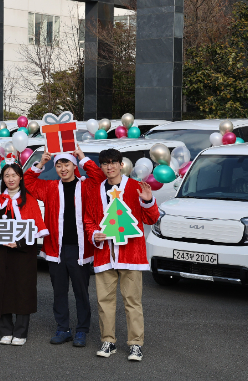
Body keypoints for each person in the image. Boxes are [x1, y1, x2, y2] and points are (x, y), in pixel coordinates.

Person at [24, 147, 105, 347]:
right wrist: (41, 164)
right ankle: (63, 329)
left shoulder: (87, 186)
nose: (62, 168)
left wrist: (83, 157)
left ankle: (82, 330)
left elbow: (99, 176)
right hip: (55, 249)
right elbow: (28, 182)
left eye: (66, 164)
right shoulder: (51, 187)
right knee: (59, 292)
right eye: (58, 165)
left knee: (81, 292)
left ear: (73, 165)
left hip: (80, 249)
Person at [84, 148, 159, 362]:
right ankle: (108, 341)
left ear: (121, 164)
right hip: (104, 254)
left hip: (131, 255)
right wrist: (93, 235)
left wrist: (148, 200)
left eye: (113, 162)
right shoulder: (95, 190)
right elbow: (89, 220)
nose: (110, 167)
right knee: (104, 301)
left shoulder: (136, 187)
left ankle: (136, 344)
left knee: (132, 302)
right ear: (101, 167)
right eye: (105, 163)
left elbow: (152, 219)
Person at [0, 157, 48, 346]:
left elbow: (36, 228)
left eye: (14, 175)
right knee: (0, 288)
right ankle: (4, 330)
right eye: (7, 175)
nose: (10, 179)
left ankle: (20, 331)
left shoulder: (30, 201)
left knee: (23, 290)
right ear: (2, 178)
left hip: (22, 254)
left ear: (20, 177)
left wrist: (19, 243)